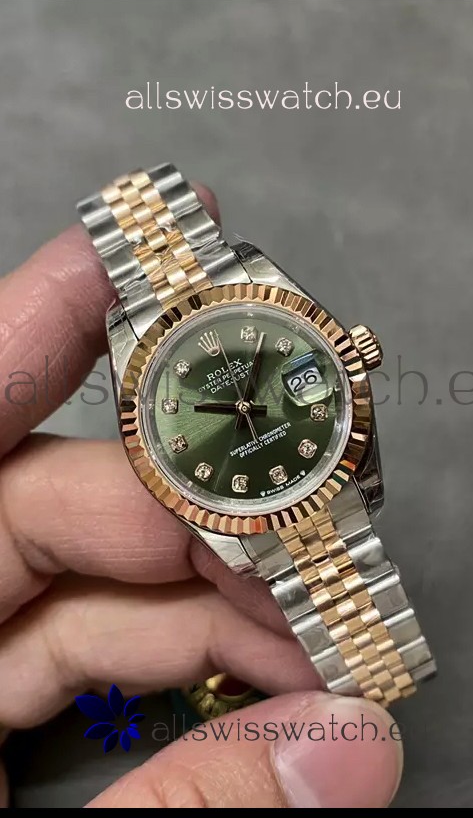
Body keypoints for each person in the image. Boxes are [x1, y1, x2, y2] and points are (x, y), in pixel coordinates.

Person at [0, 185, 402, 808]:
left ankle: (382, 670)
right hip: (258, 502)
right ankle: (375, 676)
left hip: (315, 470)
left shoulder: (251, 284)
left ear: (349, 353)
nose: (243, 411)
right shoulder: (147, 380)